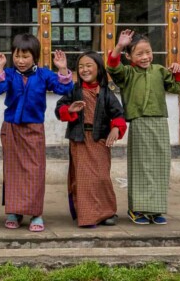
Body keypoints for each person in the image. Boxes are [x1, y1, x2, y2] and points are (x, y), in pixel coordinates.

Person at [0, 33, 73, 232]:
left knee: (35, 171)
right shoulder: (9, 73)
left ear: (35, 57)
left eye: (25, 56)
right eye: (17, 56)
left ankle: (36, 213)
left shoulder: (43, 75)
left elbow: (64, 88)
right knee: (13, 171)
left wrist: (62, 69)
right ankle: (15, 212)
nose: (20, 61)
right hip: (11, 128)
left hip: (35, 129)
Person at [107, 29, 180, 225]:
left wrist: (178, 71)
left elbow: (175, 87)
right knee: (141, 166)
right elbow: (113, 66)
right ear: (129, 56)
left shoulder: (159, 71)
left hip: (159, 123)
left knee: (160, 166)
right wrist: (119, 45)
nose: (145, 57)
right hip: (139, 122)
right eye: (139, 53)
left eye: (147, 52)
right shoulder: (128, 73)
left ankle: (155, 210)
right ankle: (138, 209)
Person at [55, 51, 126, 228]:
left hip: (100, 139)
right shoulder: (74, 90)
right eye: (81, 67)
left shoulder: (106, 93)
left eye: (89, 66)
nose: (84, 70)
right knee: (83, 178)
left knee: (102, 177)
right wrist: (70, 109)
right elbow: (59, 109)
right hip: (79, 139)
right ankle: (87, 216)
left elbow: (118, 114)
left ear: (99, 69)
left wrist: (116, 128)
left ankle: (107, 212)